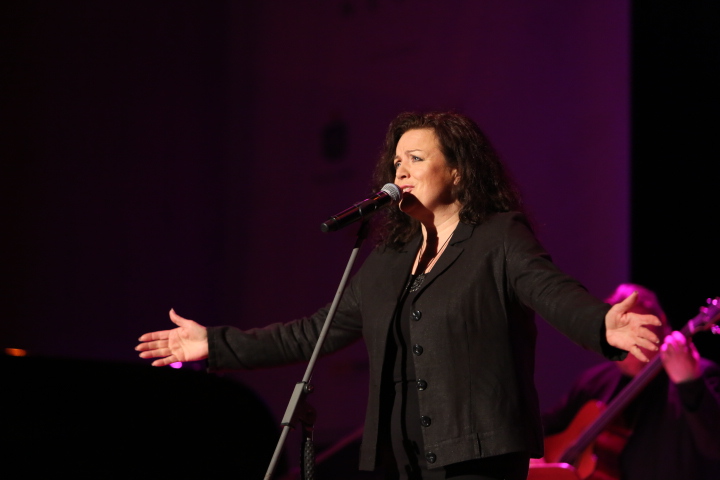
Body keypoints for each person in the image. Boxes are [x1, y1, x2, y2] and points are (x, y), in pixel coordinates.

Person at [136, 111, 663, 480]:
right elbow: (313, 333)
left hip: (477, 453)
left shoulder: (498, 236)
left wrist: (601, 323)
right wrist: (216, 344)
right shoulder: (388, 261)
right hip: (401, 455)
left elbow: (549, 289)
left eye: (415, 158)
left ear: (457, 170)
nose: (401, 171)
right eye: (396, 164)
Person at [535, 283, 720, 480]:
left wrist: (690, 383)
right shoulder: (593, 382)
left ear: (661, 323)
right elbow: (541, 429)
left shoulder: (700, 374)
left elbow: (715, 446)